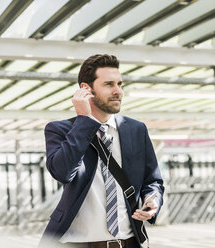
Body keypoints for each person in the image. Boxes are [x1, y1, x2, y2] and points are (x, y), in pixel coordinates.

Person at [39, 54, 165, 248]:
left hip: (128, 242)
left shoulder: (136, 129)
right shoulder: (60, 130)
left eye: (120, 84)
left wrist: (152, 200)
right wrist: (84, 121)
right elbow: (63, 173)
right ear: (86, 89)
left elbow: (153, 180)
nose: (118, 91)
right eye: (109, 84)